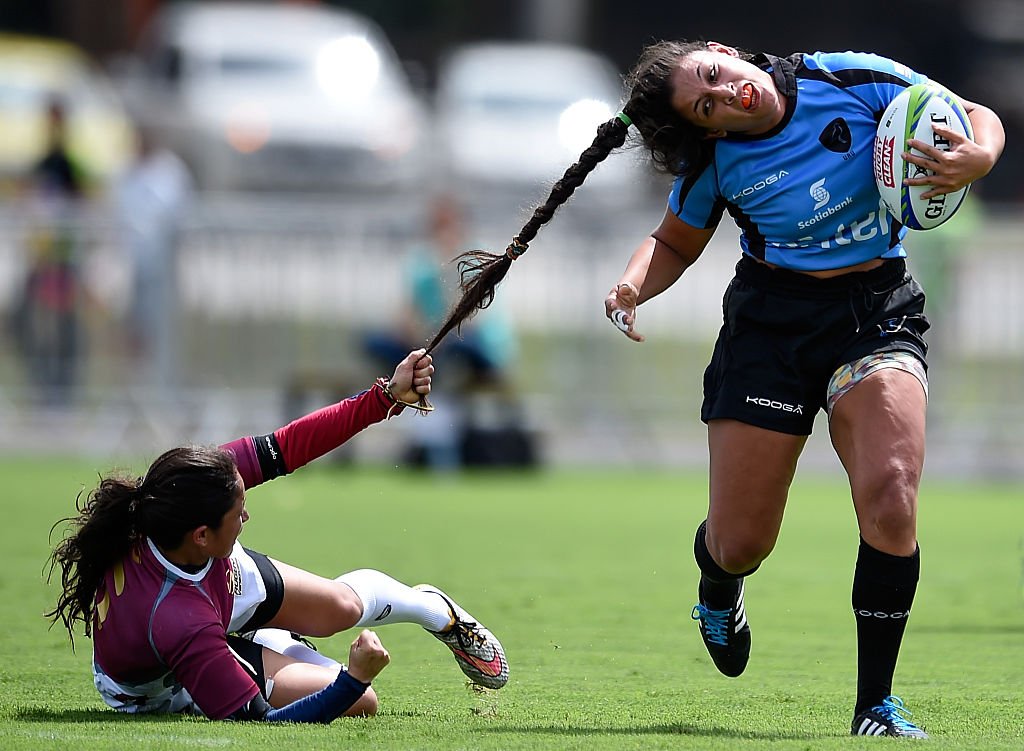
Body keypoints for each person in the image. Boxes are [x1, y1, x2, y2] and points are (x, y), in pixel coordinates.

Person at [423, 41, 1003, 737]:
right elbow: (672, 241)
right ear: (709, 130)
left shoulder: (847, 77)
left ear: (721, 52)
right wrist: (634, 283)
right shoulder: (719, 162)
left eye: (714, 75)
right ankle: (718, 584)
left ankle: (874, 704)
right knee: (741, 542)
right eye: (708, 106)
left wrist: (980, 155)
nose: (726, 94)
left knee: (892, 492)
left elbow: (973, 114)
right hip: (769, 332)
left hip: (875, 313)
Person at [46, 348, 508, 723]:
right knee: (361, 702)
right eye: (238, 514)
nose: (246, 518)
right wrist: (354, 679)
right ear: (203, 535)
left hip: (206, 587)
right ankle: (265, 644)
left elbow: (290, 445)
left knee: (341, 609)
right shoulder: (178, 619)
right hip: (168, 682)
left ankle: (433, 610)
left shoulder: (187, 485)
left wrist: (387, 396)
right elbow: (259, 719)